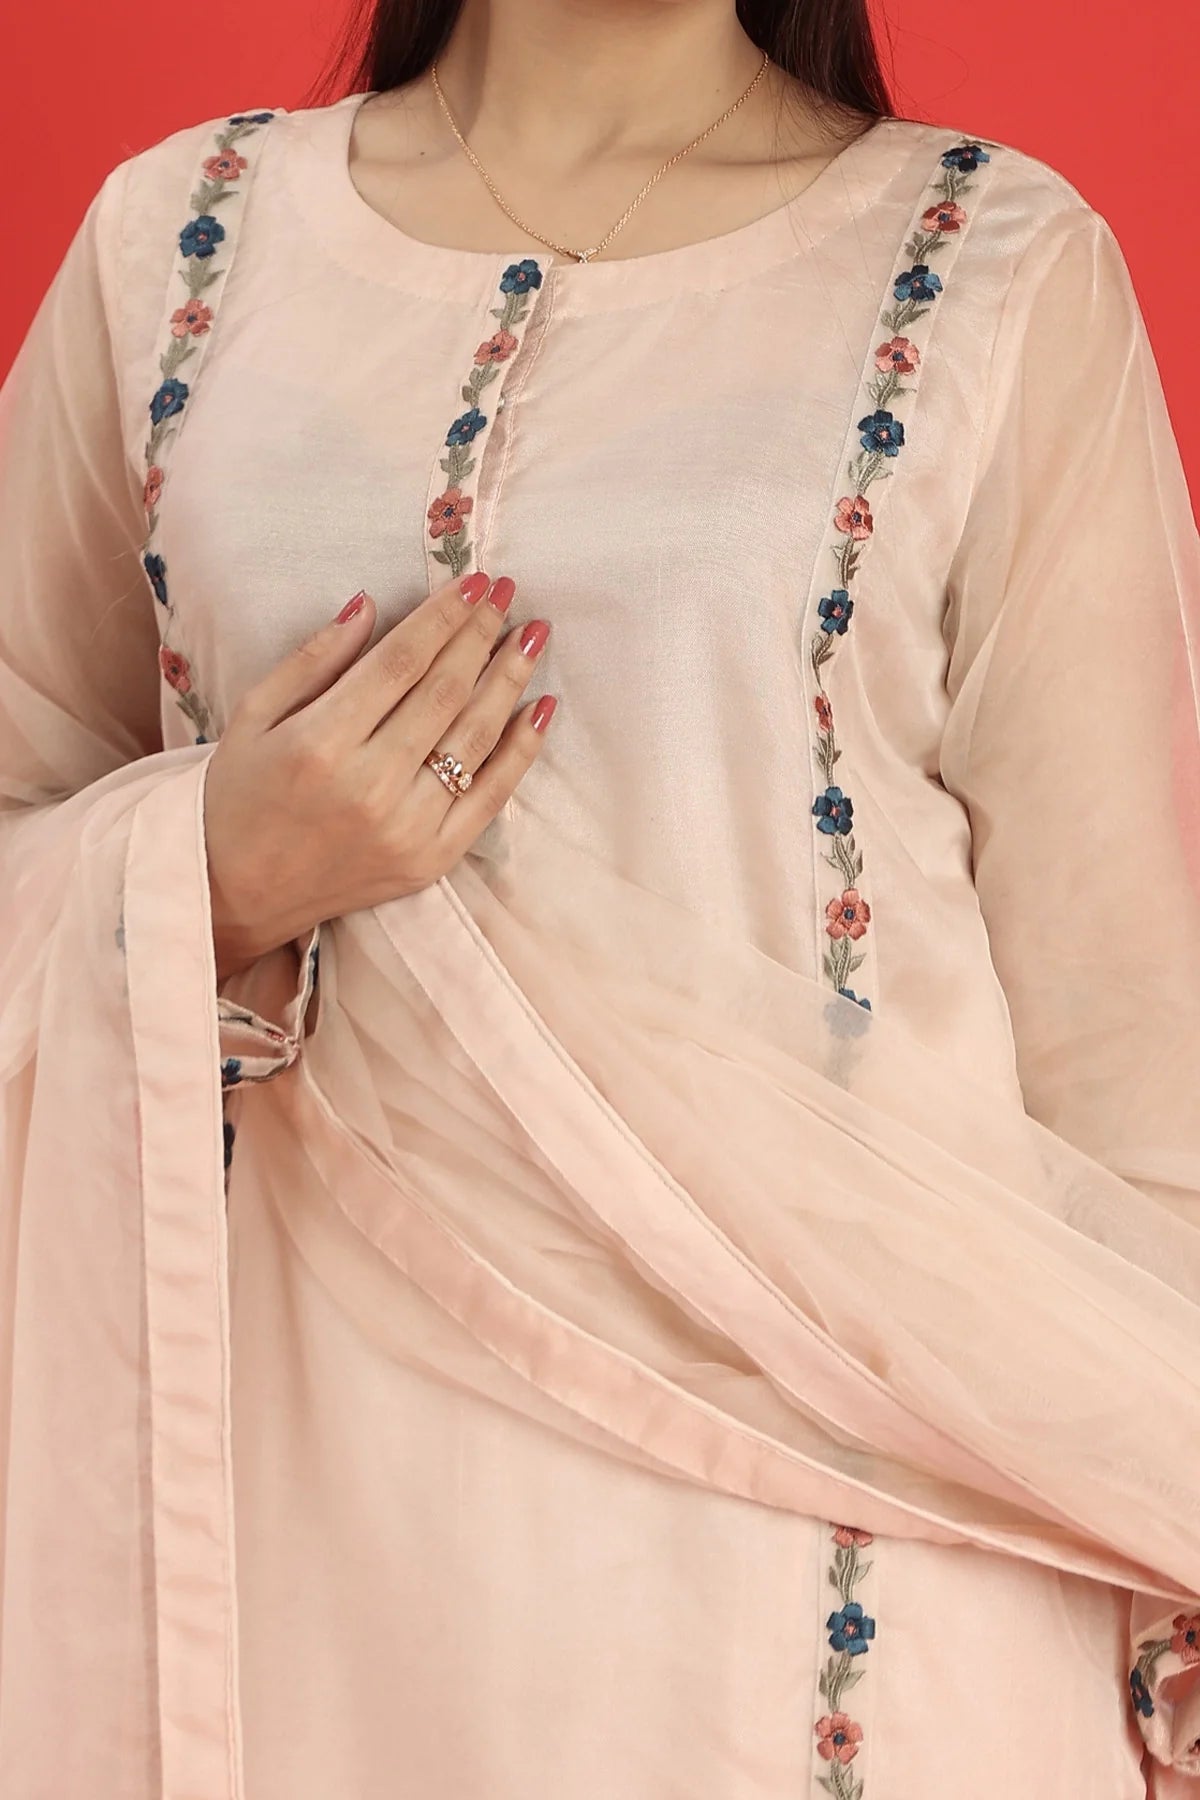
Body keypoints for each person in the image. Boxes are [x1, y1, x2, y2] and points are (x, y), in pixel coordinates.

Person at [1, 0, 1198, 1793]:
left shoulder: (992, 269)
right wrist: (209, 874)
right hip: (310, 1545)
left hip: (868, 1553)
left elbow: (1133, 1053)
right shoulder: (183, 242)